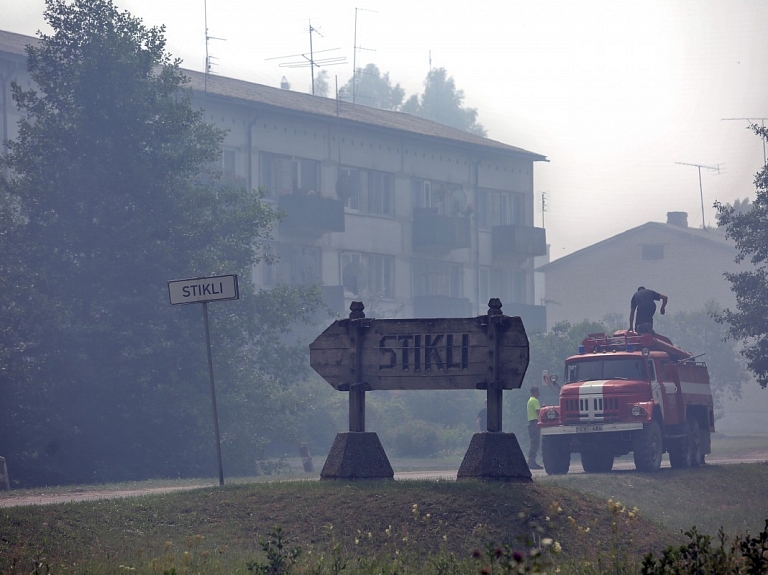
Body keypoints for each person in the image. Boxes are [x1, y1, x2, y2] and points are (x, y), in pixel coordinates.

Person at [527, 386, 542, 469]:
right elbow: (538, 412)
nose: (539, 393)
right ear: (536, 392)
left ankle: (532, 461)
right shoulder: (534, 400)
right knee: (535, 443)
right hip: (534, 423)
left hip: (531, 423)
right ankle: (531, 461)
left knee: (534, 442)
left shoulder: (530, 400)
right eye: (538, 391)